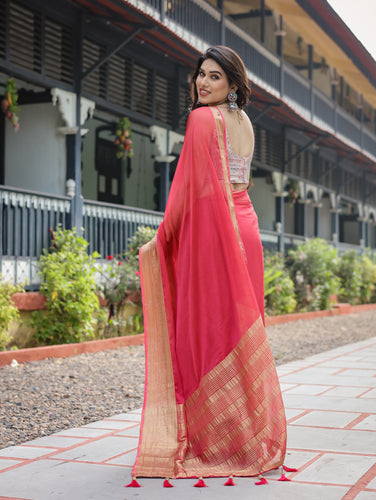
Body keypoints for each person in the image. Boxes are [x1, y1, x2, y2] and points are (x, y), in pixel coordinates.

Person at [127, 45, 287, 486]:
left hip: (218, 234)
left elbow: (185, 192)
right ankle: (247, 438)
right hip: (246, 226)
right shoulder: (245, 122)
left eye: (215, 77)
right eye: (201, 74)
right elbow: (241, 182)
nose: (203, 82)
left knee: (205, 331)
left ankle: (211, 441)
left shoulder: (201, 119)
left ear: (233, 84)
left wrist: (161, 240)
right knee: (237, 330)